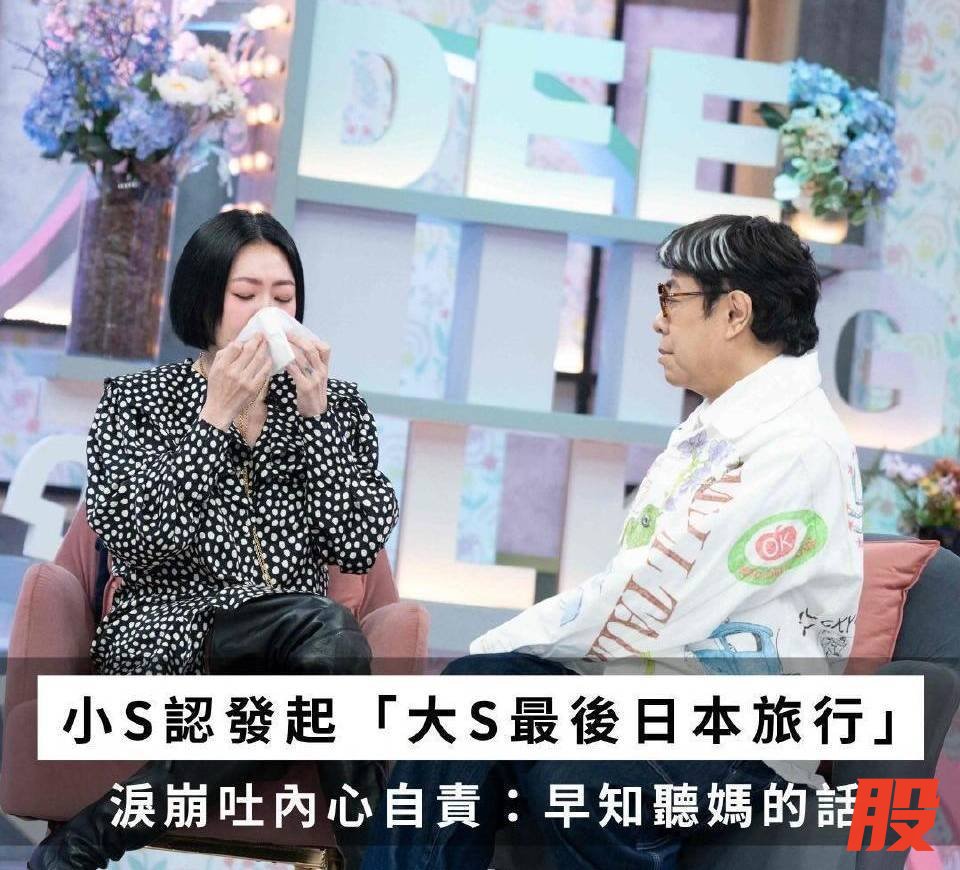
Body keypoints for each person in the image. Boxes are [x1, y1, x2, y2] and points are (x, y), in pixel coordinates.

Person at [361, 214, 865, 869]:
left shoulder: (795, 447)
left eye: (673, 297)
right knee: (469, 691)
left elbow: (652, 604)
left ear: (734, 313)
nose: (659, 320)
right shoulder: (720, 424)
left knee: (572, 771)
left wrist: (509, 641)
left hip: (737, 735)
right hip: (654, 694)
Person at [29, 210, 399, 870]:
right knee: (330, 641)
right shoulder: (138, 400)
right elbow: (137, 542)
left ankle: (80, 846)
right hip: (169, 633)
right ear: (205, 302)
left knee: (310, 670)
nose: (268, 314)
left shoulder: (334, 404)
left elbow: (356, 541)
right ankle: (381, 857)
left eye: (284, 297)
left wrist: (316, 421)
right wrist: (215, 416)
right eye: (246, 295)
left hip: (297, 652)